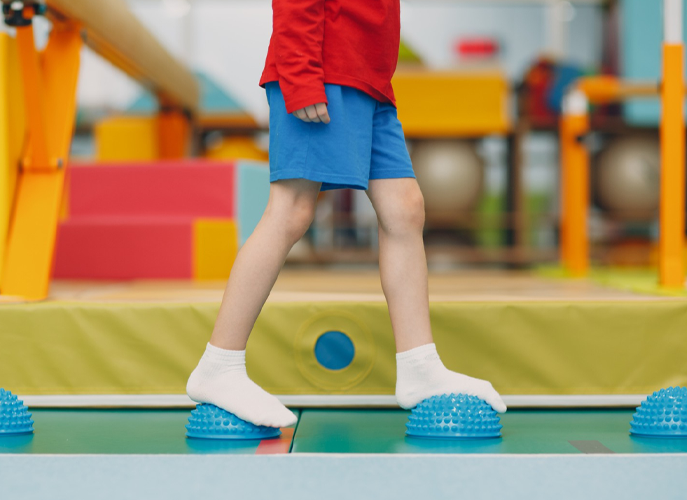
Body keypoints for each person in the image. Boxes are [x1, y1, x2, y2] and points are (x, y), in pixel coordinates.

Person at [186, 0, 507, 427]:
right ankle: (219, 364)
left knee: (405, 209)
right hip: (321, 70)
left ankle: (420, 366)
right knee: (291, 211)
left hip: (368, 81)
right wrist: (300, 77)